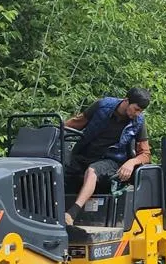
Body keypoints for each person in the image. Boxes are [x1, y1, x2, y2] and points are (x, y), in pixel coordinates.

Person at [62, 89, 152, 223]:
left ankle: (71, 214)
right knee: (57, 168)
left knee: (92, 171)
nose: (138, 113)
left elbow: (145, 154)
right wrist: (54, 129)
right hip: (84, 155)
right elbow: (77, 123)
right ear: (126, 101)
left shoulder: (138, 121)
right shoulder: (102, 106)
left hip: (112, 160)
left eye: (140, 111)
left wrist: (131, 162)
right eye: (136, 109)